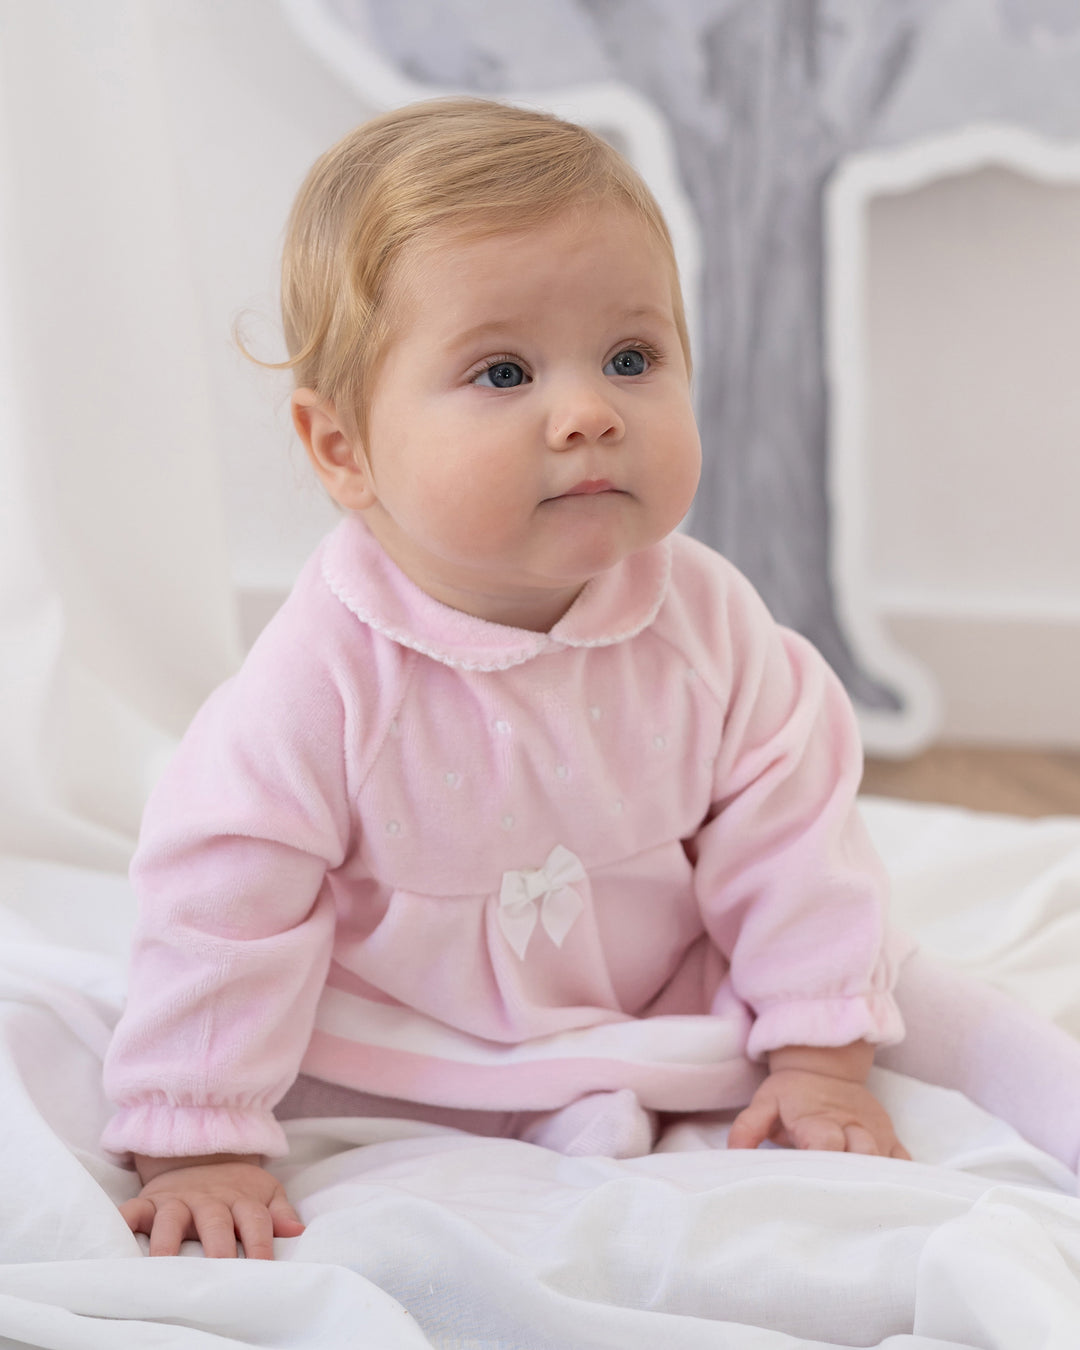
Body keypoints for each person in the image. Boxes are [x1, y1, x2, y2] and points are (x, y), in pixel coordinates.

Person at [102, 97, 1080, 1260]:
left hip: (668, 987)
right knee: (483, 1237)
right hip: (411, 1028)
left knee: (937, 998)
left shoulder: (707, 620)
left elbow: (792, 838)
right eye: (504, 371)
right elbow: (222, 908)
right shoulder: (321, 685)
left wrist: (818, 1052)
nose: (588, 414)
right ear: (342, 448)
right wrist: (197, 1134)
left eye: (632, 358)